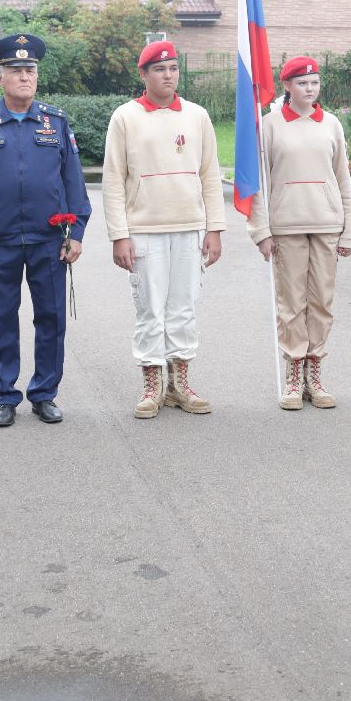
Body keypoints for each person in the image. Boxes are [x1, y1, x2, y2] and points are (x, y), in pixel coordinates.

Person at [0, 33, 89, 427]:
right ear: (0, 78)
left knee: (50, 318)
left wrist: (76, 230)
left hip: (50, 240)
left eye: (30, 70)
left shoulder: (55, 121)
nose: (24, 77)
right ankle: (5, 396)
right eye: (15, 71)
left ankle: (44, 393)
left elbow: (74, 182)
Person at [102, 39, 225, 419]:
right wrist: (119, 235)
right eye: (159, 69)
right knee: (150, 310)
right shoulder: (125, 117)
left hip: (189, 228)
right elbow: (112, 180)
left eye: (173, 68)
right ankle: (152, 387)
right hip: (144, 230)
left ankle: (179, 385)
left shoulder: (197, 115)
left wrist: (215, 227)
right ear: (144, 74)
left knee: (183, 309)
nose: (168, 75)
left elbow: (210, 175)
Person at [245, 56, 351, 410]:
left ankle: (315, 373)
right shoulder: (270, 125)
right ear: (287, 86)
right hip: (286, 226)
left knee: (321, 302)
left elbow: (343, 179)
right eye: (303, 83)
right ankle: (293, 375)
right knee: (292, 303)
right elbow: (259, 182)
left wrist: (349, 230)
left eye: (315, 83)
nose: (310, 89)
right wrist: (261, 230)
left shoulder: (332, 124)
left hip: (326, 223)